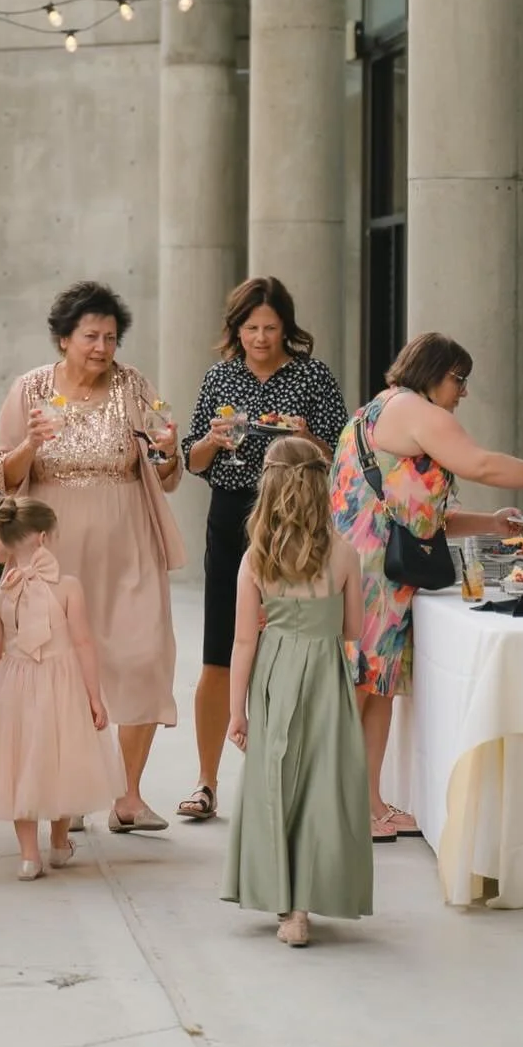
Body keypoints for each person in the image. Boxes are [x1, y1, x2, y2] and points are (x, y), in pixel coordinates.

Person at [330, 331, 523, 842]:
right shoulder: (418, 411)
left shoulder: (380, 409)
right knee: (360, 686)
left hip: (372, 568)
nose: (463, 393)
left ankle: (368, 804)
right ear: (434, 373)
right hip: (371, 574)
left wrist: (492, 523)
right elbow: (480, 465)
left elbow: (417, 518)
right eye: (459, 380)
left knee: (377, 688)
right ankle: (336, 805)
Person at [0, 281, 184, 834]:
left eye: (111, 337)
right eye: (91, 336)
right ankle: (67, 793)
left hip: (129, 539)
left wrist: (170, 453)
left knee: (144, 654)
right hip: (55, 545)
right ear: (63, 338)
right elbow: (1, 471)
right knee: (60, 667)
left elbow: (167, 470)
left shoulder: (137, 385)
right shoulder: (30, 390)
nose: (102, 347)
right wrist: (31, 443)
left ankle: (128, 796)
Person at [177, 277, 348, 824]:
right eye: (250, 327)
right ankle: (206, 781)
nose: (260, 337)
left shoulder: (312, 376)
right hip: (231, 516)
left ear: (286, 328)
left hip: (297, 519)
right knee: (220, 649)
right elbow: (194, 461)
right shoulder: (220, 377)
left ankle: (296, 781)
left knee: (295, 645)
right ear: (236, 329)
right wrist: (212, 440)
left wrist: (306, 437)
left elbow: (339, 453)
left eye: (270, 328)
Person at [224, 437, 372, 948]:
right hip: (325, 677)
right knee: (318, 788)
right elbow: (353, 629)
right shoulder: (346, 555)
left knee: (275, 783)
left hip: (273, 676)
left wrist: (236, 712)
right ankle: (304, 905)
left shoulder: (256, 559)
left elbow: (243, 641)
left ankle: (285, 906)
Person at [0, 496, 123, 878]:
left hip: (14, 688)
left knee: (20, 769)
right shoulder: (68, 588)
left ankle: (29, 856)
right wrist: (94, 696)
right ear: (44, 538)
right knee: (63, 762)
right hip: (62, 685)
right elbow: (83, 643)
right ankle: (60, 843)